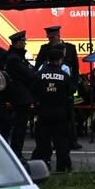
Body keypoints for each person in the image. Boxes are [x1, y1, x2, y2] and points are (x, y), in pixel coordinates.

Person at [34, 25, 81, 148]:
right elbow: (38, 67)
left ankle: (72, 140)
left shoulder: (70, 48)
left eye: (52, 37)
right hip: (48, 89)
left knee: (69, 114)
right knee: (50, 117)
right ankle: (49, 142)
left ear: (58, 36)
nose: (50, 40)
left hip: (66, 87)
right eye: (49, 38)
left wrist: (74, 85)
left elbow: (75, 69)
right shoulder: (45, 49)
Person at [31, 44, 74, 172]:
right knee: (61, 142)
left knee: (43, 142)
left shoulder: (39, 75)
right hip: (60, 113)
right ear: (60, 60)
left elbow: (33, 91)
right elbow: (70, 92)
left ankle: (43, 166)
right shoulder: (64, 75)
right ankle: (62, 167)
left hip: (43, 113)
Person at [3, 31, 38, 159]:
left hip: (20, 96)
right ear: (18, 43)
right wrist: (34, 73)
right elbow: (28, 74)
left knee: (20, 127)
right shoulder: (14, 59)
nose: (25, 43)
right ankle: (16, 153)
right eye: (23, 41)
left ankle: (16, 152)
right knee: (19, 128)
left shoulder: (16, 57)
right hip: (19, 97)